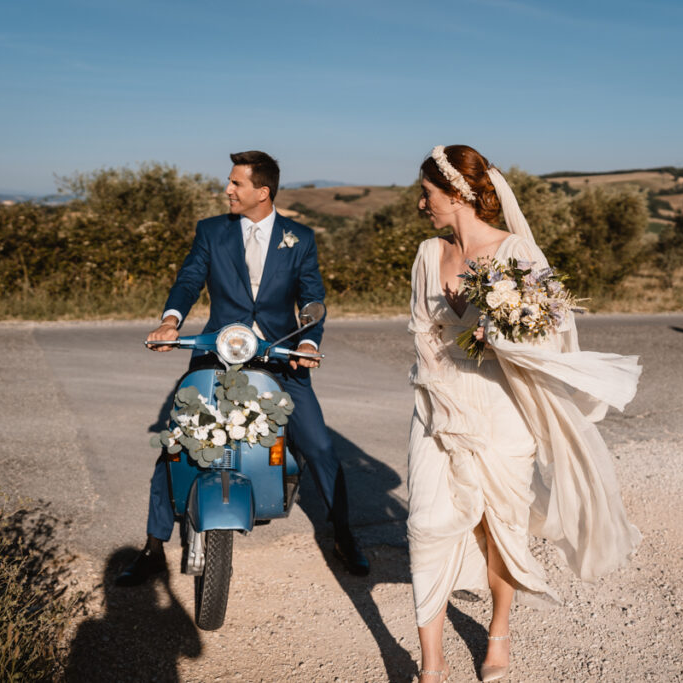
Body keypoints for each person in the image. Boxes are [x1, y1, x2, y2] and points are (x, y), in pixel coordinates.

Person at [406, 145, 642, 682]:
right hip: (435, 407)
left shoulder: (518, 253)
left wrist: (505, 338)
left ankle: (499, 632)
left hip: (500, 407)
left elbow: (551, 334)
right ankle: (431, 662)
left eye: (428, 194)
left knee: (500, 525)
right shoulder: (427, 254)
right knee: (427, 523)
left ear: (459, 194)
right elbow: (421, 330)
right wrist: (438, 392)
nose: (422, 205)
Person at [116, 150, 369, 586]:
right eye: (230, 182)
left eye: (236, 183)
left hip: (280, 352)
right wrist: (170, 321)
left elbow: (312, 295)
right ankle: (153, 547)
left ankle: (343, 535)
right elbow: (189, 278)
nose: (227, 190)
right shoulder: (212, 230)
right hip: (218, 348)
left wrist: (307, 342)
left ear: (262, 192)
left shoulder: (299, 237)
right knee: (175, 442)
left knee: (320, 447)